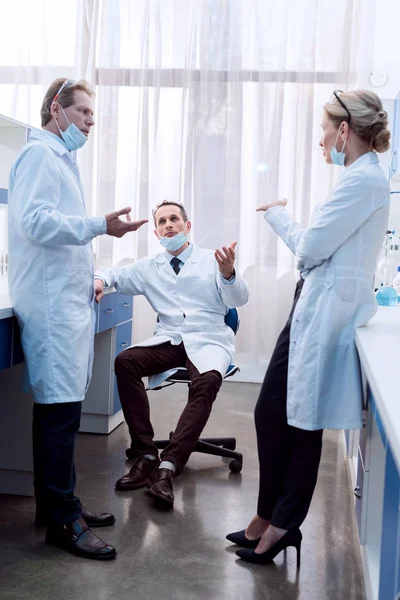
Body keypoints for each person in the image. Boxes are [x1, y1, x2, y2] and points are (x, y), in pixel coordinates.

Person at [226, 90, 391, 565]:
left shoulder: (362, 182)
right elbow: (317, 248)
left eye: (324, 129)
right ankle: (266, 518)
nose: (320, 141)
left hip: (327, 311)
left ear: (344, 130)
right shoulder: (356, 179)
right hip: (312, 305)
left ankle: (281, 526)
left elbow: (311, 248)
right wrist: (288, 223)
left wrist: (278, 216)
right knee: (273, 411)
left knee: (301, 422)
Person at [7, 78, 147, 560]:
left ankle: (57, 506)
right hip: (49, 305)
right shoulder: (39, 156)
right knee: (59, 413)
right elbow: (35, 221)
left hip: (66, 299)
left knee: (60, 410)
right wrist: (99, 226)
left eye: (93, 116)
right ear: (56, 109)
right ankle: (62, 521)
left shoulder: (61, 159)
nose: (90, 122)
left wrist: (90, 270)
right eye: (84, 112)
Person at [94, 200, 249, 508]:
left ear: (187, 226)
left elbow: (238, 299)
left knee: (206, 382)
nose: (169, 224)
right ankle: (146, 453)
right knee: (125, 362)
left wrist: (229, 273)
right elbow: (114, 274)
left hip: (208, 339)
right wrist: (99, 280)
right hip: (170, 340)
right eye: (162, 221)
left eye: (174, 219)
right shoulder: (150, 267)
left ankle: (169, 467)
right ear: (156, 232)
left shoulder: (212, 260)